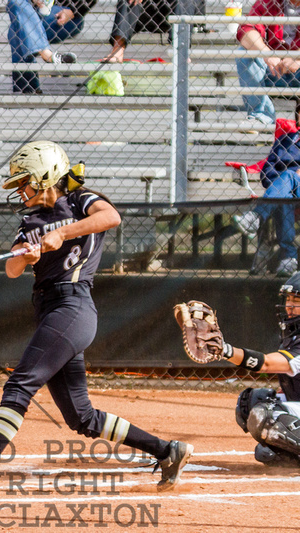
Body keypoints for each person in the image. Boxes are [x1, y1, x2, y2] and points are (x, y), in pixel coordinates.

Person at [0, 141, 193, 495]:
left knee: (20, 383)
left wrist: (62, 233)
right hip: (51, 312)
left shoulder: (80, 200)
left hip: (73, 307)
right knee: (81, 417)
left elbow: (110, 217)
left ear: (46, 176)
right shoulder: (30, 220)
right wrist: (28, 255)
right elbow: (11, 268)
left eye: (25, 182)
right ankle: (167, 451)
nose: (20, 190)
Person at [190, 273, 300, 467]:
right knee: (250, 402)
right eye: (288, 299)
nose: (289, 305)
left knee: (266, 415)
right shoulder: (292, 336)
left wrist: (225, 350)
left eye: (296, 300)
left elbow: (265, 364)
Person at [232, 118, 300, 277]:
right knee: (284, 196)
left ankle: (255, 217)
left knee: (288, 177)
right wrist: (282, 182)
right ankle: (288, 259)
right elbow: (266, 173)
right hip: (284, 192)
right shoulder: (285, 140)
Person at [235, 0, 300, 125]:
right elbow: (247, 28)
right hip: (272, 69)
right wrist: (267, 54)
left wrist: (297, 58)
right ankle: (261, 116)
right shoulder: (270, 2)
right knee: (244, 53)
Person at [7, 0, 88, 93]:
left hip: (66, 14)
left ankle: (27, 91)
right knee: (17, 21)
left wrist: (73, 11)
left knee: (18, 29)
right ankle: (46, 53)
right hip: (34, 13)